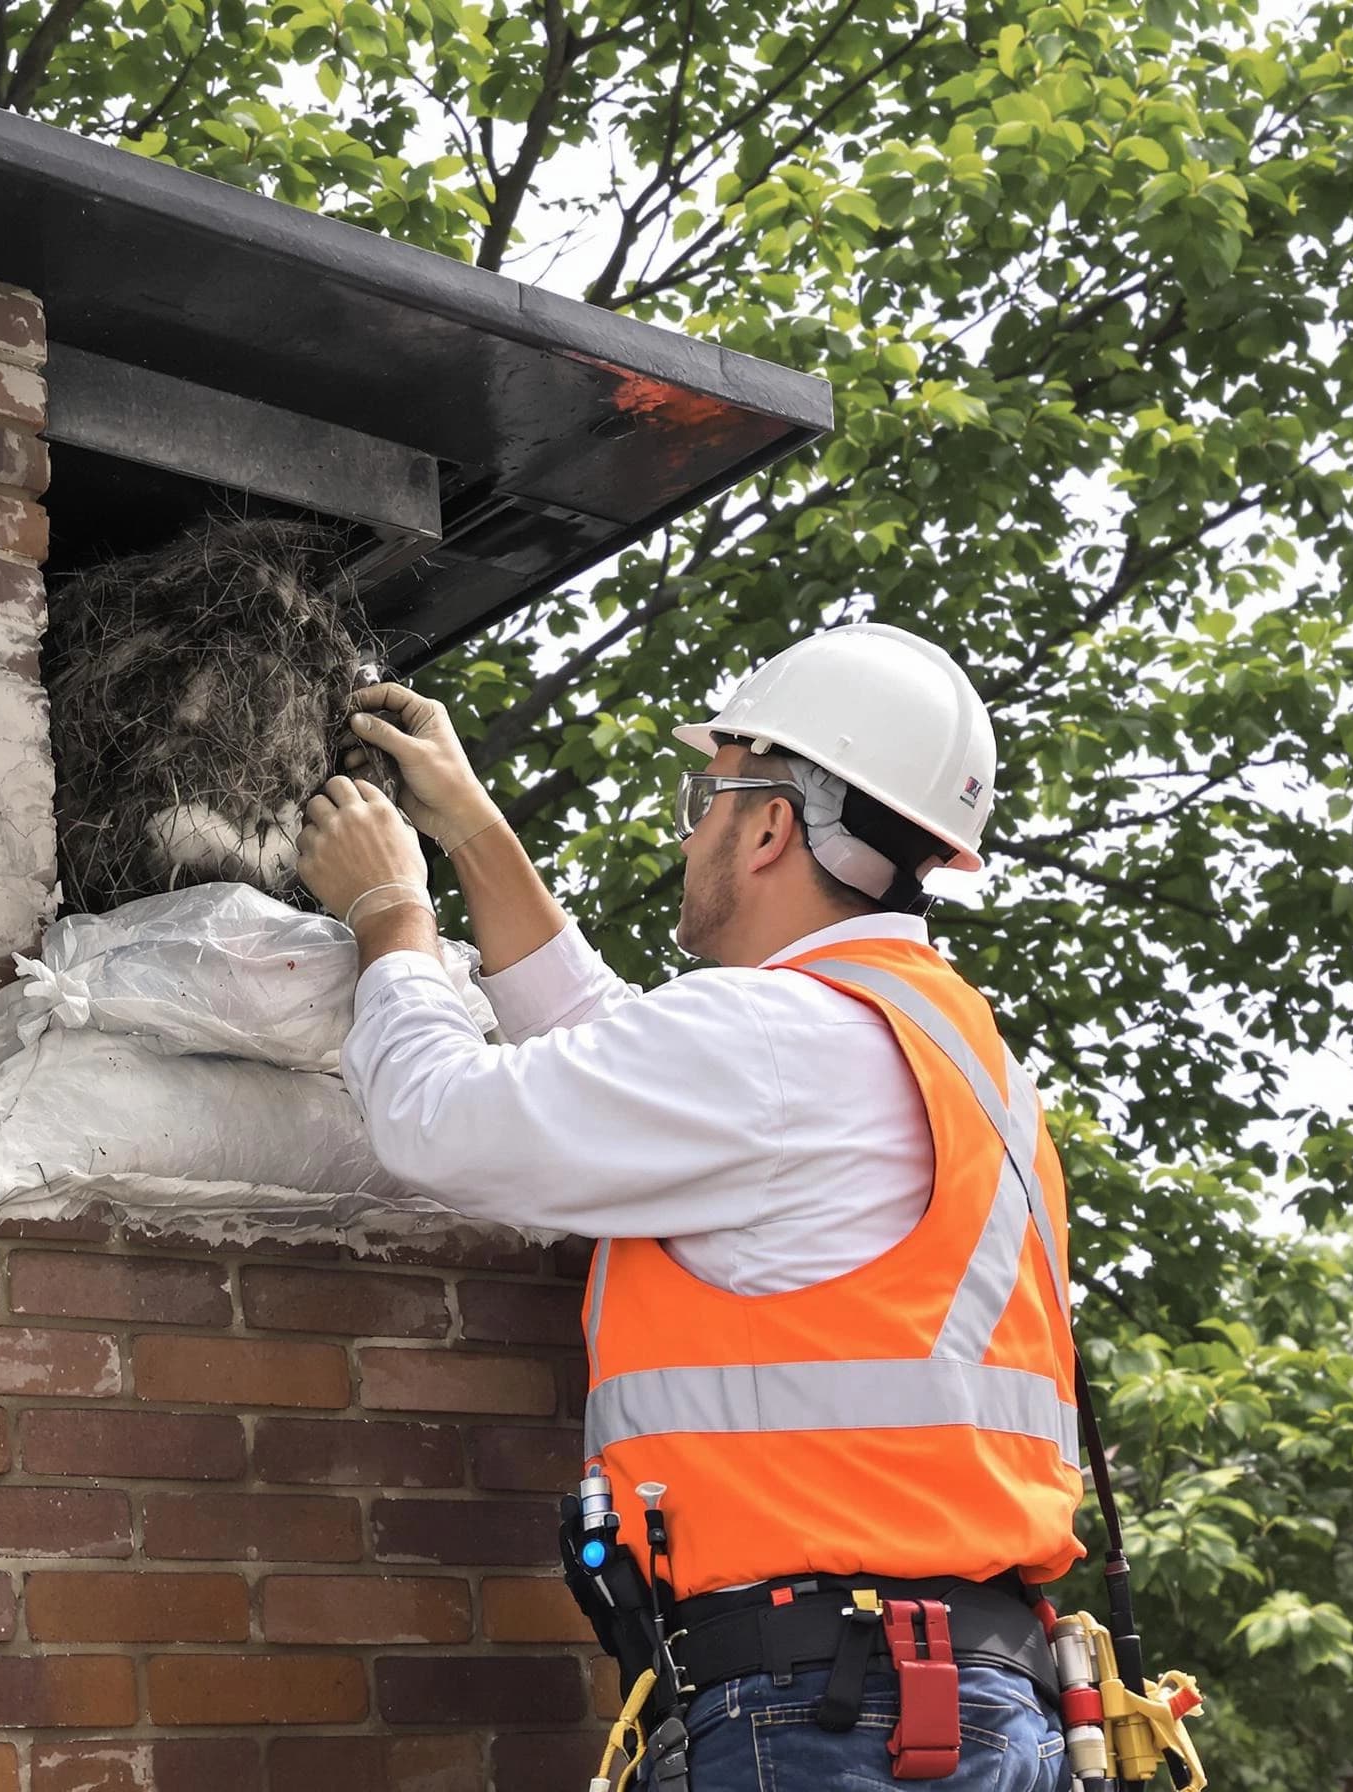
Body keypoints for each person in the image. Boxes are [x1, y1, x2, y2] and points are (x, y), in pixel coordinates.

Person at [295, 623, 1082, 1791]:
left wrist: (388, 914)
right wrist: (472, 830)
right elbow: (618, 1063)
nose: (689, 829)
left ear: (768, 826)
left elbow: (437, 1121)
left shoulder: (771, 1035)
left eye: (705, 796)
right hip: (968, 1694)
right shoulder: (941, 1048)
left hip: (825, 1709)